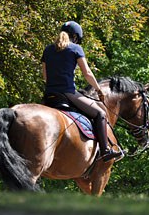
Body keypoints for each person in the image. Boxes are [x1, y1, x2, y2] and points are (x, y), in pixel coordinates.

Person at [41, 21, 123, 162]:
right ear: (76, 37)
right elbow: (87, 73)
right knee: (101, 113)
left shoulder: (48, 50)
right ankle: (105, 151)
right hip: (68, 93)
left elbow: (45, 76)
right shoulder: (75, 48)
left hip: (49, 94)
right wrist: (98, 89)